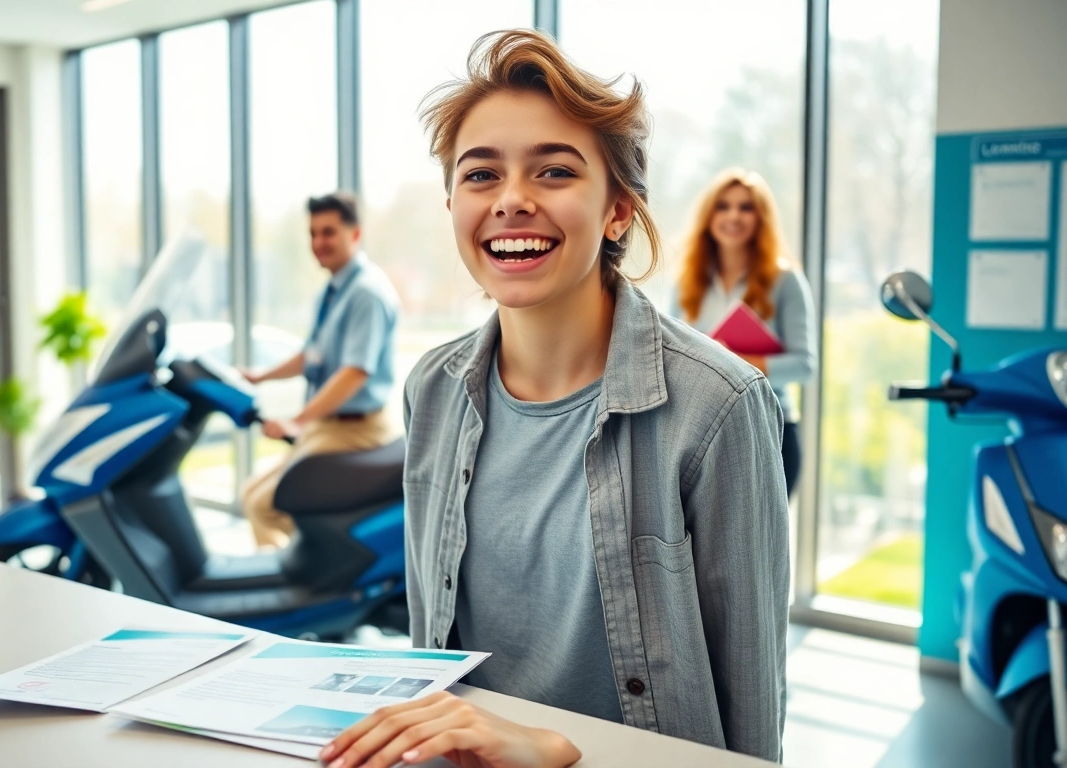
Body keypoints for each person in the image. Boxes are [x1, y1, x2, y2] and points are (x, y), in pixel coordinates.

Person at [319, 30, 789, 768]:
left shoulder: (718, 406)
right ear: (452, 203)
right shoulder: (433, 390)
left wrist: (560, 751)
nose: (512, 200)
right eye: (481, 175)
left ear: (618, 211)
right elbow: (431, 654)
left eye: (555, 171)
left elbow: (750, 724)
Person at [238, 192, 400, 550]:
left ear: (354, 234)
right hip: (328, 426)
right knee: (249, 492)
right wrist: (261, 376)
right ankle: (299, 563)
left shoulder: (366, 294)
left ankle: (300, 575)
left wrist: (298, 421)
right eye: (313, 233)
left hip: (357, 428)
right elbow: (310, 357)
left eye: (328, 232)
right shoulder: (333, 290)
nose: (318, 242)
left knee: (262, 505)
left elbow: (354, 373)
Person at [675, 169, 817, 497]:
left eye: (746, 207)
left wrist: (734, 361)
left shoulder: (785, 281)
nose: (734, 216)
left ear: (761, 218)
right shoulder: (688, 281)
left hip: (770, 429)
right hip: (702, 432)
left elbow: (804, 366)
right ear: (709, 216)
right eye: (723, 206)